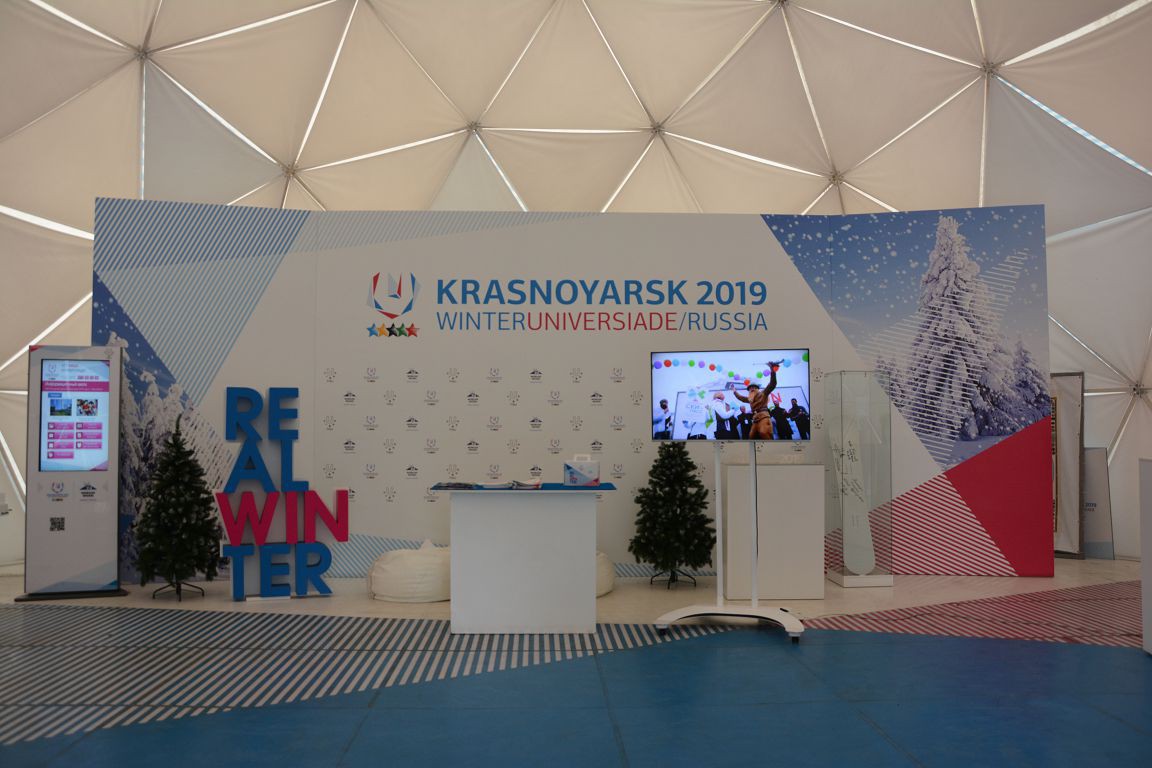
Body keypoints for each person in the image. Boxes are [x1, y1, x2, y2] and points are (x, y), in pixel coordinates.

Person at [732, 363, 779, 440]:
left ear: (757, 389)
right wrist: (734, 391)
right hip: (755, 419)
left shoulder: (763, 393)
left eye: (754, 387)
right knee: (751, 436)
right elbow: (741, 398)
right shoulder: (750, 399)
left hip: (764, 417)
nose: (752, 389)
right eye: (750, 388)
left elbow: (772, 384)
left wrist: (772, 370)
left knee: (764, 433)